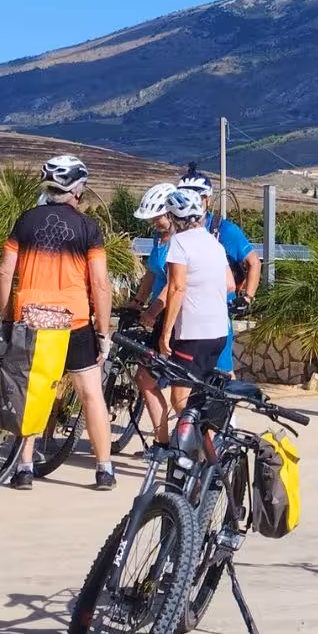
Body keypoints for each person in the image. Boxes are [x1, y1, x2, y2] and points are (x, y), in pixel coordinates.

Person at [0, 154, 116, 491]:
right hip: (74, 322)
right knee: (91, 395)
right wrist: (103, 332)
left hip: (32, 319)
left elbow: (6, 271)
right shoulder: (89, 228)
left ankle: (23, 468)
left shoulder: (25, 221)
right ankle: (104, 469)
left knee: (33, 392)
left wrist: (7, 317)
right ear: (76, 189)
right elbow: (101, 285)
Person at [175, 167, 260, 375]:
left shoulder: (225, 231)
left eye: (195, 196)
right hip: (186, 318)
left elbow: (254, 262)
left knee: (218, 374)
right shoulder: (174, 230)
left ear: (207, 199)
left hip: (217, 314)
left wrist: (247, 298)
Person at [153, 188, 233, 409]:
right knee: (200, 398)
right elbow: (230, 284)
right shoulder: (214, 243)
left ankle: (196, 443)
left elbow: (177, 288)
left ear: (173, 217)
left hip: (193, 334)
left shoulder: (179, 242)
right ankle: (209, 441)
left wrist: (166, 333)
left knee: (180, 400)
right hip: (219, 332)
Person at [128, 182, 179, 444]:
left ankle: (167, 443)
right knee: (146, 377)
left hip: (173, 318)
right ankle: (163, 442)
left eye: (157, 217)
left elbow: (173, 284)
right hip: (160, 316)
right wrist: (137, 302)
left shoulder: (178, 243)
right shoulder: (161, 241)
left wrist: (153, 311)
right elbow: (151, 274)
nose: (154, 222)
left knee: (154, 380)